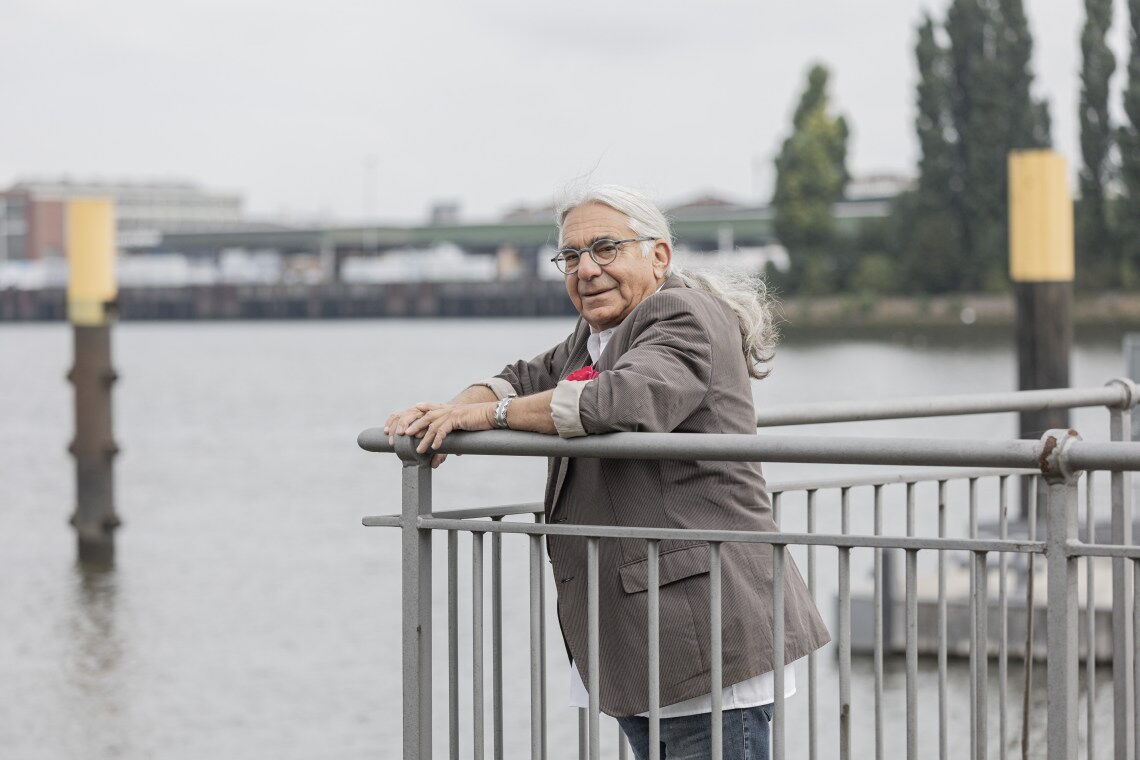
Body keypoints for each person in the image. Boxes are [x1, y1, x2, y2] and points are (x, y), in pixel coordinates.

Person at [385, 185, 830, 759]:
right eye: (570, 257)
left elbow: (620, 401)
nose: (586, 270)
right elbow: (522, 377)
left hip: (703, 623)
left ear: (659, 256)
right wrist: (446, 412)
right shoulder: (597, 335)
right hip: (650, 631)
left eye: (605, 249)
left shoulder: (683, 314)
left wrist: (486, 415)